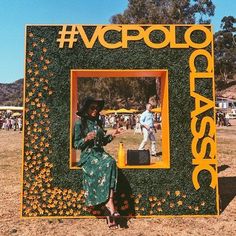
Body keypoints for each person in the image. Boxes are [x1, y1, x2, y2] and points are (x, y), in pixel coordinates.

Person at [73, 96, 122, 229]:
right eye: (92, 108)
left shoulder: (97, 122)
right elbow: (75, 144)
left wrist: (113, 134)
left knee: (111, 162)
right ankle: (111, 206)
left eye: (97, 108)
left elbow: (102, 141)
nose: (95, 110)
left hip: (100, 153)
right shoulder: (79, 123)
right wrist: (86, 138)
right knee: (108, 163)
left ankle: (109, 203)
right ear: (86, 108)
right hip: (88, 156)